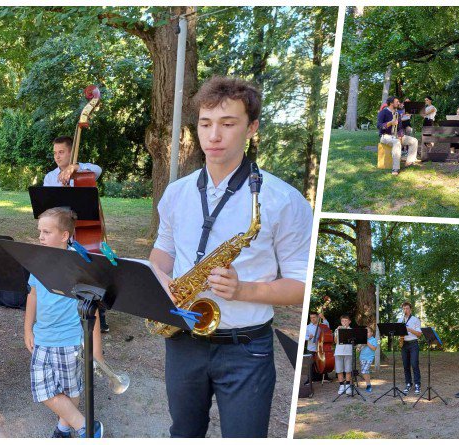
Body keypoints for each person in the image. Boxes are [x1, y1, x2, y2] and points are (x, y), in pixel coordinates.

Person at [149, 76, 312, 438]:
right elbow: (162, 254)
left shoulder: (283, 200)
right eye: (205, 124)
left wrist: (243, 291)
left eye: (228, 123)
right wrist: (161, 283)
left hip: (245, 350)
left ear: (251, 128)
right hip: (182, 339)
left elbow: (302, 286)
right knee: (184, 433)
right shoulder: (176, 193)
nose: (214, 136)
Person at [24, 207, 104, 438]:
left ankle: (63, 428)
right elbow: (33, 294)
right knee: (42, 389)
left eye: (47, 232)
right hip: (42, 337)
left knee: (71, 389)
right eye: (40, 231)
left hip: (70, 340)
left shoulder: (79, 264)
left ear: (65, 236)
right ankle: (85, 425)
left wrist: (96, 349)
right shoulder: (39, 261)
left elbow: (92, 309)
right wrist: (27, 327)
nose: (40, 237)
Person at [43, 136, 109, 333]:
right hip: (62, 231)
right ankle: (69, 310)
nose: (57, 156)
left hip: (83, 230)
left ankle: (98, 315)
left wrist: (76, 167)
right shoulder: (50, 177)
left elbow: (98, 170)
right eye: (55, 153)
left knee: (88, 268)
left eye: (61, 152)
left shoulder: (85, 171)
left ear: (71, 153)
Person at [377, 96, 418, 176]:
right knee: (397, 142)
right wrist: (390, 123)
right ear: (391, 103)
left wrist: (400, 135)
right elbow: (379, 126)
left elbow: (399, 128)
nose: (399, 103)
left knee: (414, 141)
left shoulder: (397, 113)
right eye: (397, 102)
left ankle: (409, 161)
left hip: (396, 136)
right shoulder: (383, 112)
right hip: (385, 136)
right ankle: (395, 168)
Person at [398, 302, 422, 395]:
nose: (405, 310)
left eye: (407, 308)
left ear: (410, 309)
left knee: (414, 364)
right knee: (405, 365)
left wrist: (409, 329)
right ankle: (408, 383)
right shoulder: (400, 320)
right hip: (404, 344)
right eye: (404, 308)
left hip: (413, 344)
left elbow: (419, 334)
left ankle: (417, 384)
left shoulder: (415, 320)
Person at [333, 314, 354, 395]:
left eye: (346, 321)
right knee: (339, 370)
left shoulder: (351, 330)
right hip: (338, 352)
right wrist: (338, 332)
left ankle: (348, 386)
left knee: (348, 370)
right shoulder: (337, 330)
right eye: (343, 321)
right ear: (341, 322)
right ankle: (341, 386)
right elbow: (335, 341)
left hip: (348, 352)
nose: (344, 322)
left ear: (349, 322)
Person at [359, 325, 379, 394]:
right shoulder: (362, 339)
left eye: (367, 332)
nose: (366, 334)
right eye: (365, 332)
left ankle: (368, 384)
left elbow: (374, 348)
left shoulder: (373, 340)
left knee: (364, 371)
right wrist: (359, 347)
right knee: (366, 371)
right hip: (362, 358)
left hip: (369, 358)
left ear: (371, 333)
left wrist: (367, 343)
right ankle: (368, 385)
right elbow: (359, 348)